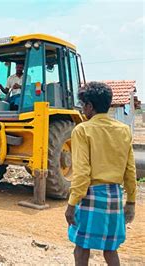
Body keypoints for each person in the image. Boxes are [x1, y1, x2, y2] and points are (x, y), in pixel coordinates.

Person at [65, 82, 137, 266]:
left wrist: (72, 204)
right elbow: (130, 170)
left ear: (89, 106)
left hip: (90, 194)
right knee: (110, 249)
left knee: (81, 248)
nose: (82, 110)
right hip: (114, 195)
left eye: (83, 105)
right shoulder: (123, 130)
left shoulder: (82, 130)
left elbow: (82, 173)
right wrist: (131, 201)